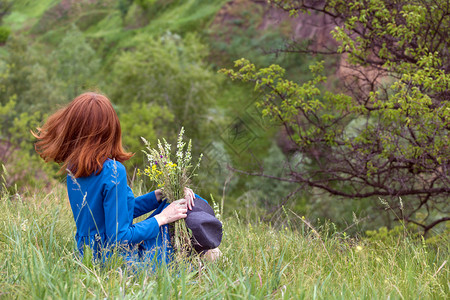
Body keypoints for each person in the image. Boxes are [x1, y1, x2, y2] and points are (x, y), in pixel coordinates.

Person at [32, 92, 215, 267]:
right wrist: (162, 218)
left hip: (89, 255)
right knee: (192, 204)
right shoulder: (112, 171)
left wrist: (158, 195)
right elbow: (119, 238)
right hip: (121, 262)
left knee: (173, 201)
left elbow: (114, 215)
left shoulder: (74, 167)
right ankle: (205, 256)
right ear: (110, 129)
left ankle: (202, 254)